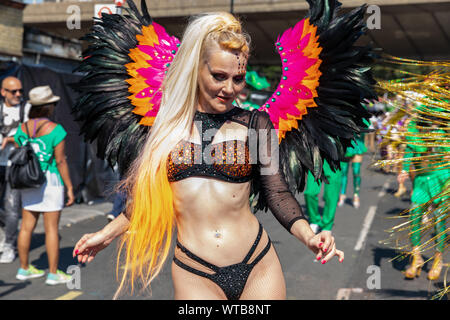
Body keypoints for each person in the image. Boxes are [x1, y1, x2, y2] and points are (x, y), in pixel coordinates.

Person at [73, 12, 345, 300]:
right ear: (196, 69)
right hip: (195, 272)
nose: (229, 89)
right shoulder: (166, 128)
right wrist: (107, 234)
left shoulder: (256, 124)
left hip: (258, 265)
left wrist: (310, 237)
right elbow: (146, 200)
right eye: (218, 76)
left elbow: (277, 192)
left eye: (238, 79)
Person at [14, 85, 75, 285]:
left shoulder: (21, 129)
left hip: (27, 181)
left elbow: (19, 154)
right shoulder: (56, 130)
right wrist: (70, 187)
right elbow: (61, 161)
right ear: (48, 107)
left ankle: (24, 269)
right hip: (50, 182)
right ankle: (53, 273)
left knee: (26, 227)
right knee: (51, 229)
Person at [397, 118, 449, 281]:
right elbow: (409, 150)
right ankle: (417, 258)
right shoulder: (415, 130)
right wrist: (405, 170)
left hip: (442, 179)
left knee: (439, 220)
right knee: (414, 217)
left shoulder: (444, 131)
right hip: (421, 181)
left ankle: (438, 260)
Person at [0, 76, 31, 263]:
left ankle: (9, 246)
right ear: (3, 92)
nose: (18, 94)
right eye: (13, 91)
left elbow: (28, 133)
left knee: (12, 207)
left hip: (15, 165)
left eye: (20, 90)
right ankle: (7, 234)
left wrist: (10, 140)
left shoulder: (25, 109)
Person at [304, 160, 342, 234]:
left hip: (333, 159)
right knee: (310, 193)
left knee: (331, 196)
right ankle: (314, 220)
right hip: (316, 159)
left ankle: (327, 225)